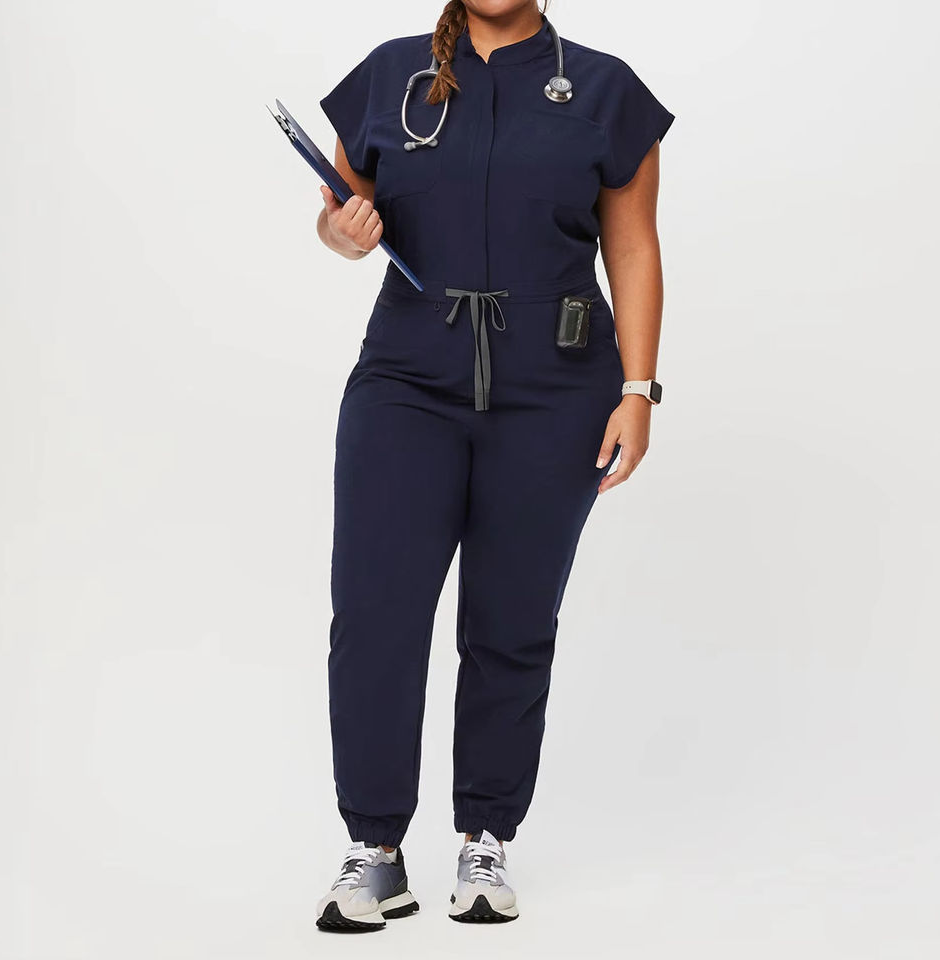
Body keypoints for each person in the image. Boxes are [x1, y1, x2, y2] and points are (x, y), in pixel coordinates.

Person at [312, 0, 674, 930]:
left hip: (555, 388)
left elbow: (633, 243)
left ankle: (486, 836)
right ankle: (374, 849)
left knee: (512, 621)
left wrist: (638, 390)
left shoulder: (604, 90)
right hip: (406, 379)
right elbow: (337, 215)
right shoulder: (392, 74)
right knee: (376, 611)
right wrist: (344, 234)